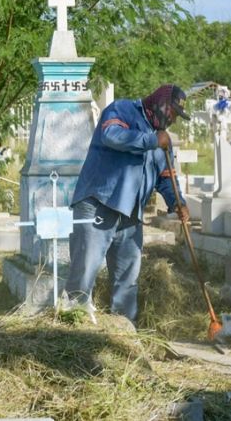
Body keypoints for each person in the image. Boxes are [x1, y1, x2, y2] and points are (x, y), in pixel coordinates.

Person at [65, 84, 191, 323]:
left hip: (131, 215)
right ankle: (72, 326)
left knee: (127, 282)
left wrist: (178, 203)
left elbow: (166, 178)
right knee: (84, 274)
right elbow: (112, 136)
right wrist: (151, 140)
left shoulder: (162, 140)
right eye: (172, 112)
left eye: (177, 116)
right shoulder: (122, 110)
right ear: (160, 103)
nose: (172, 119)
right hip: (99, 204)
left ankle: (122, 336)